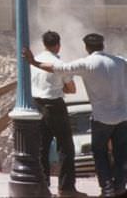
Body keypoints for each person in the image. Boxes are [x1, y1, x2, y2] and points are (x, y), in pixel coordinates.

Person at [25, 33, 127, 198]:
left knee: (99, 153)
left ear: (86, 48)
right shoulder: (120, 61)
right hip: (122, 116)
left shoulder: (86, 64)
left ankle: (107, 189)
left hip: (101, 118)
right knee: (121, 152)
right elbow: (68, 83)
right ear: (103, 45)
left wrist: (33, 62)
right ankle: (120, 187)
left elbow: (59, 69)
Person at [31, 31, 82, 197]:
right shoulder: (58, 63)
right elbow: (72, 89)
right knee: (66, 147)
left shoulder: (34, 61)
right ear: (58, 45)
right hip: (55, 106)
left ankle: (43, 186)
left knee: (42, 147)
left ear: (44, 44)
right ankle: (66, 188)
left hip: (37, 105)